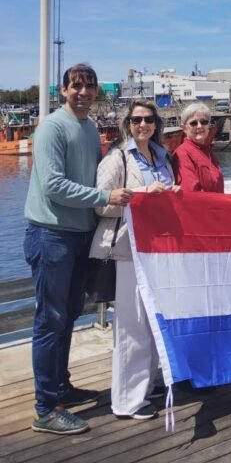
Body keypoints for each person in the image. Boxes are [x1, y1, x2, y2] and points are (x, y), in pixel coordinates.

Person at [24, 64, 133, 435]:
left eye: (89, 86)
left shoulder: (88, 128)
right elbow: (54, 184)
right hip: (51, 234)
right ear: (64, 90)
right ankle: (45, 407)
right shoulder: (53, 127)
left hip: (79, 234)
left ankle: (61, 387)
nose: (83, 92)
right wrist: (105, 196)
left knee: (68, 315)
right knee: (50, 320)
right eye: (76, 86)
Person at [92, 99, 179, 420]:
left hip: (157, 250)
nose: (142, 125)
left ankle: (149, 381)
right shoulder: (117, 159)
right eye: (136, 120)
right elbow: (101, 204)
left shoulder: (162, 156)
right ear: (128, 124)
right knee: (132, 325)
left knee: (154, 319)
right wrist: (143, 197)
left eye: (148, 119)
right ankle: (127, 399)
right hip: (128, 249)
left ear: (156, 124)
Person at [172, 103, 224, 192]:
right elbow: (190, 191)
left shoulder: (208, 151)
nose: (199, 126)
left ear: (208, 126)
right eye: (193, 123)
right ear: (184, 128)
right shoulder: (182, 154)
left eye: (204, 122)